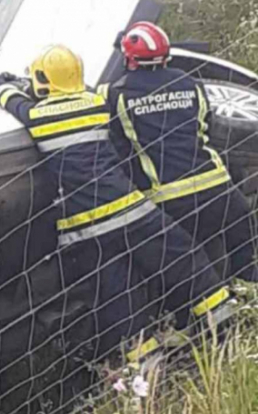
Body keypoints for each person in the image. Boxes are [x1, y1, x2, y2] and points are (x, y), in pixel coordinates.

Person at [0, 45, 232, 363]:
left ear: (41, 81)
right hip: (130, 212)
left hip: (86, 231)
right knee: (183, 259)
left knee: (116, 294)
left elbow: (9, 100)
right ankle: (223, 321)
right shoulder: (96, 104)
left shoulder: (36, 118)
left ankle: (144, 364)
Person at [100, 21, 258, 284]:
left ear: (129, 59)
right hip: (218, 187)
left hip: (168, 198)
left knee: (187, 267)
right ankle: (247, 288)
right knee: (243, 242)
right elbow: (206, 122)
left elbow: (115, 142)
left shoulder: (114, 93)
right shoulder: (191, 84)